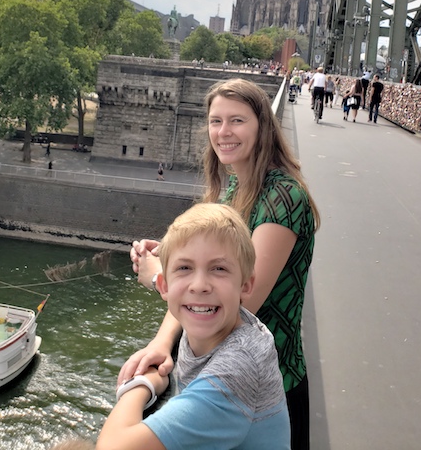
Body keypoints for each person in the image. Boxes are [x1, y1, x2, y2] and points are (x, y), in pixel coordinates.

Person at [124, 78, 320, 450]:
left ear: (262, 126)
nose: (223, 132)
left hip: (268, 388)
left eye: (237, 121)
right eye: (216, 121)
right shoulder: (234, 186)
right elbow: (210, 275)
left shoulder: (283, 197)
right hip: (218, 377)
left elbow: (241, 300)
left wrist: (158, 278)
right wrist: (162, 341)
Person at [92, 203, 289, 450]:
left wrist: (142, 385)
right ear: (163, 285)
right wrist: (162, 345)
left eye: (218, 269)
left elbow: (113, 447)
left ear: (245, 286)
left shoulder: (234, 371)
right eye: (185, 268)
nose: (199, 285)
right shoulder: (226, 324)